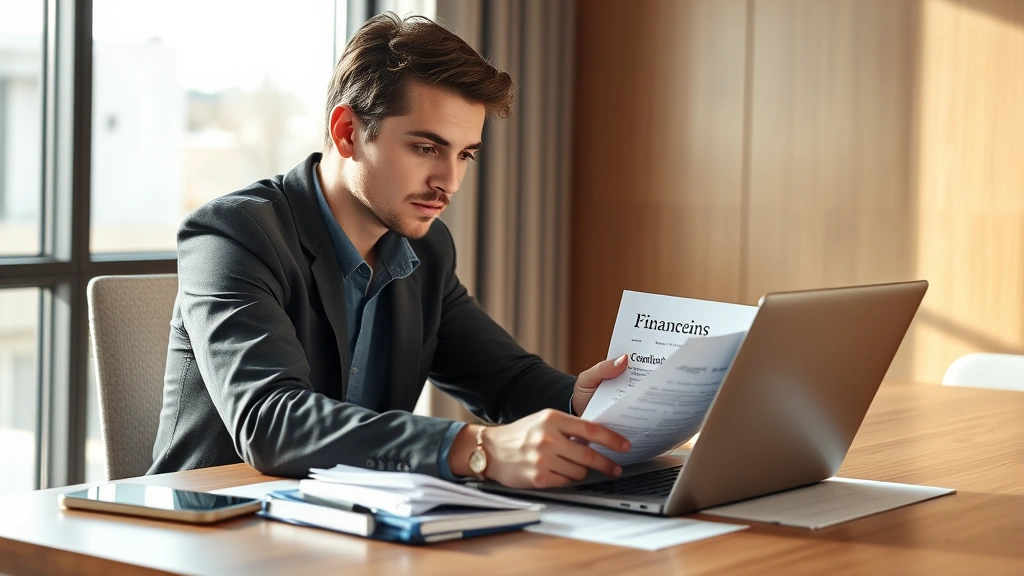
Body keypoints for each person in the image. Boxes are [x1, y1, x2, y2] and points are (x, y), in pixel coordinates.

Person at [149, 13, 631, 489]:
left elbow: (502, 380)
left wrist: (578, 400)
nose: (450, 182)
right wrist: (476, 448)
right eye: (426, 148)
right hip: (215, 529)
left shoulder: (426, 249)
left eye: (464, 154)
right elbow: (271, 422)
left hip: (349, 529)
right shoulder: (235, 233)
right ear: (347, 133)